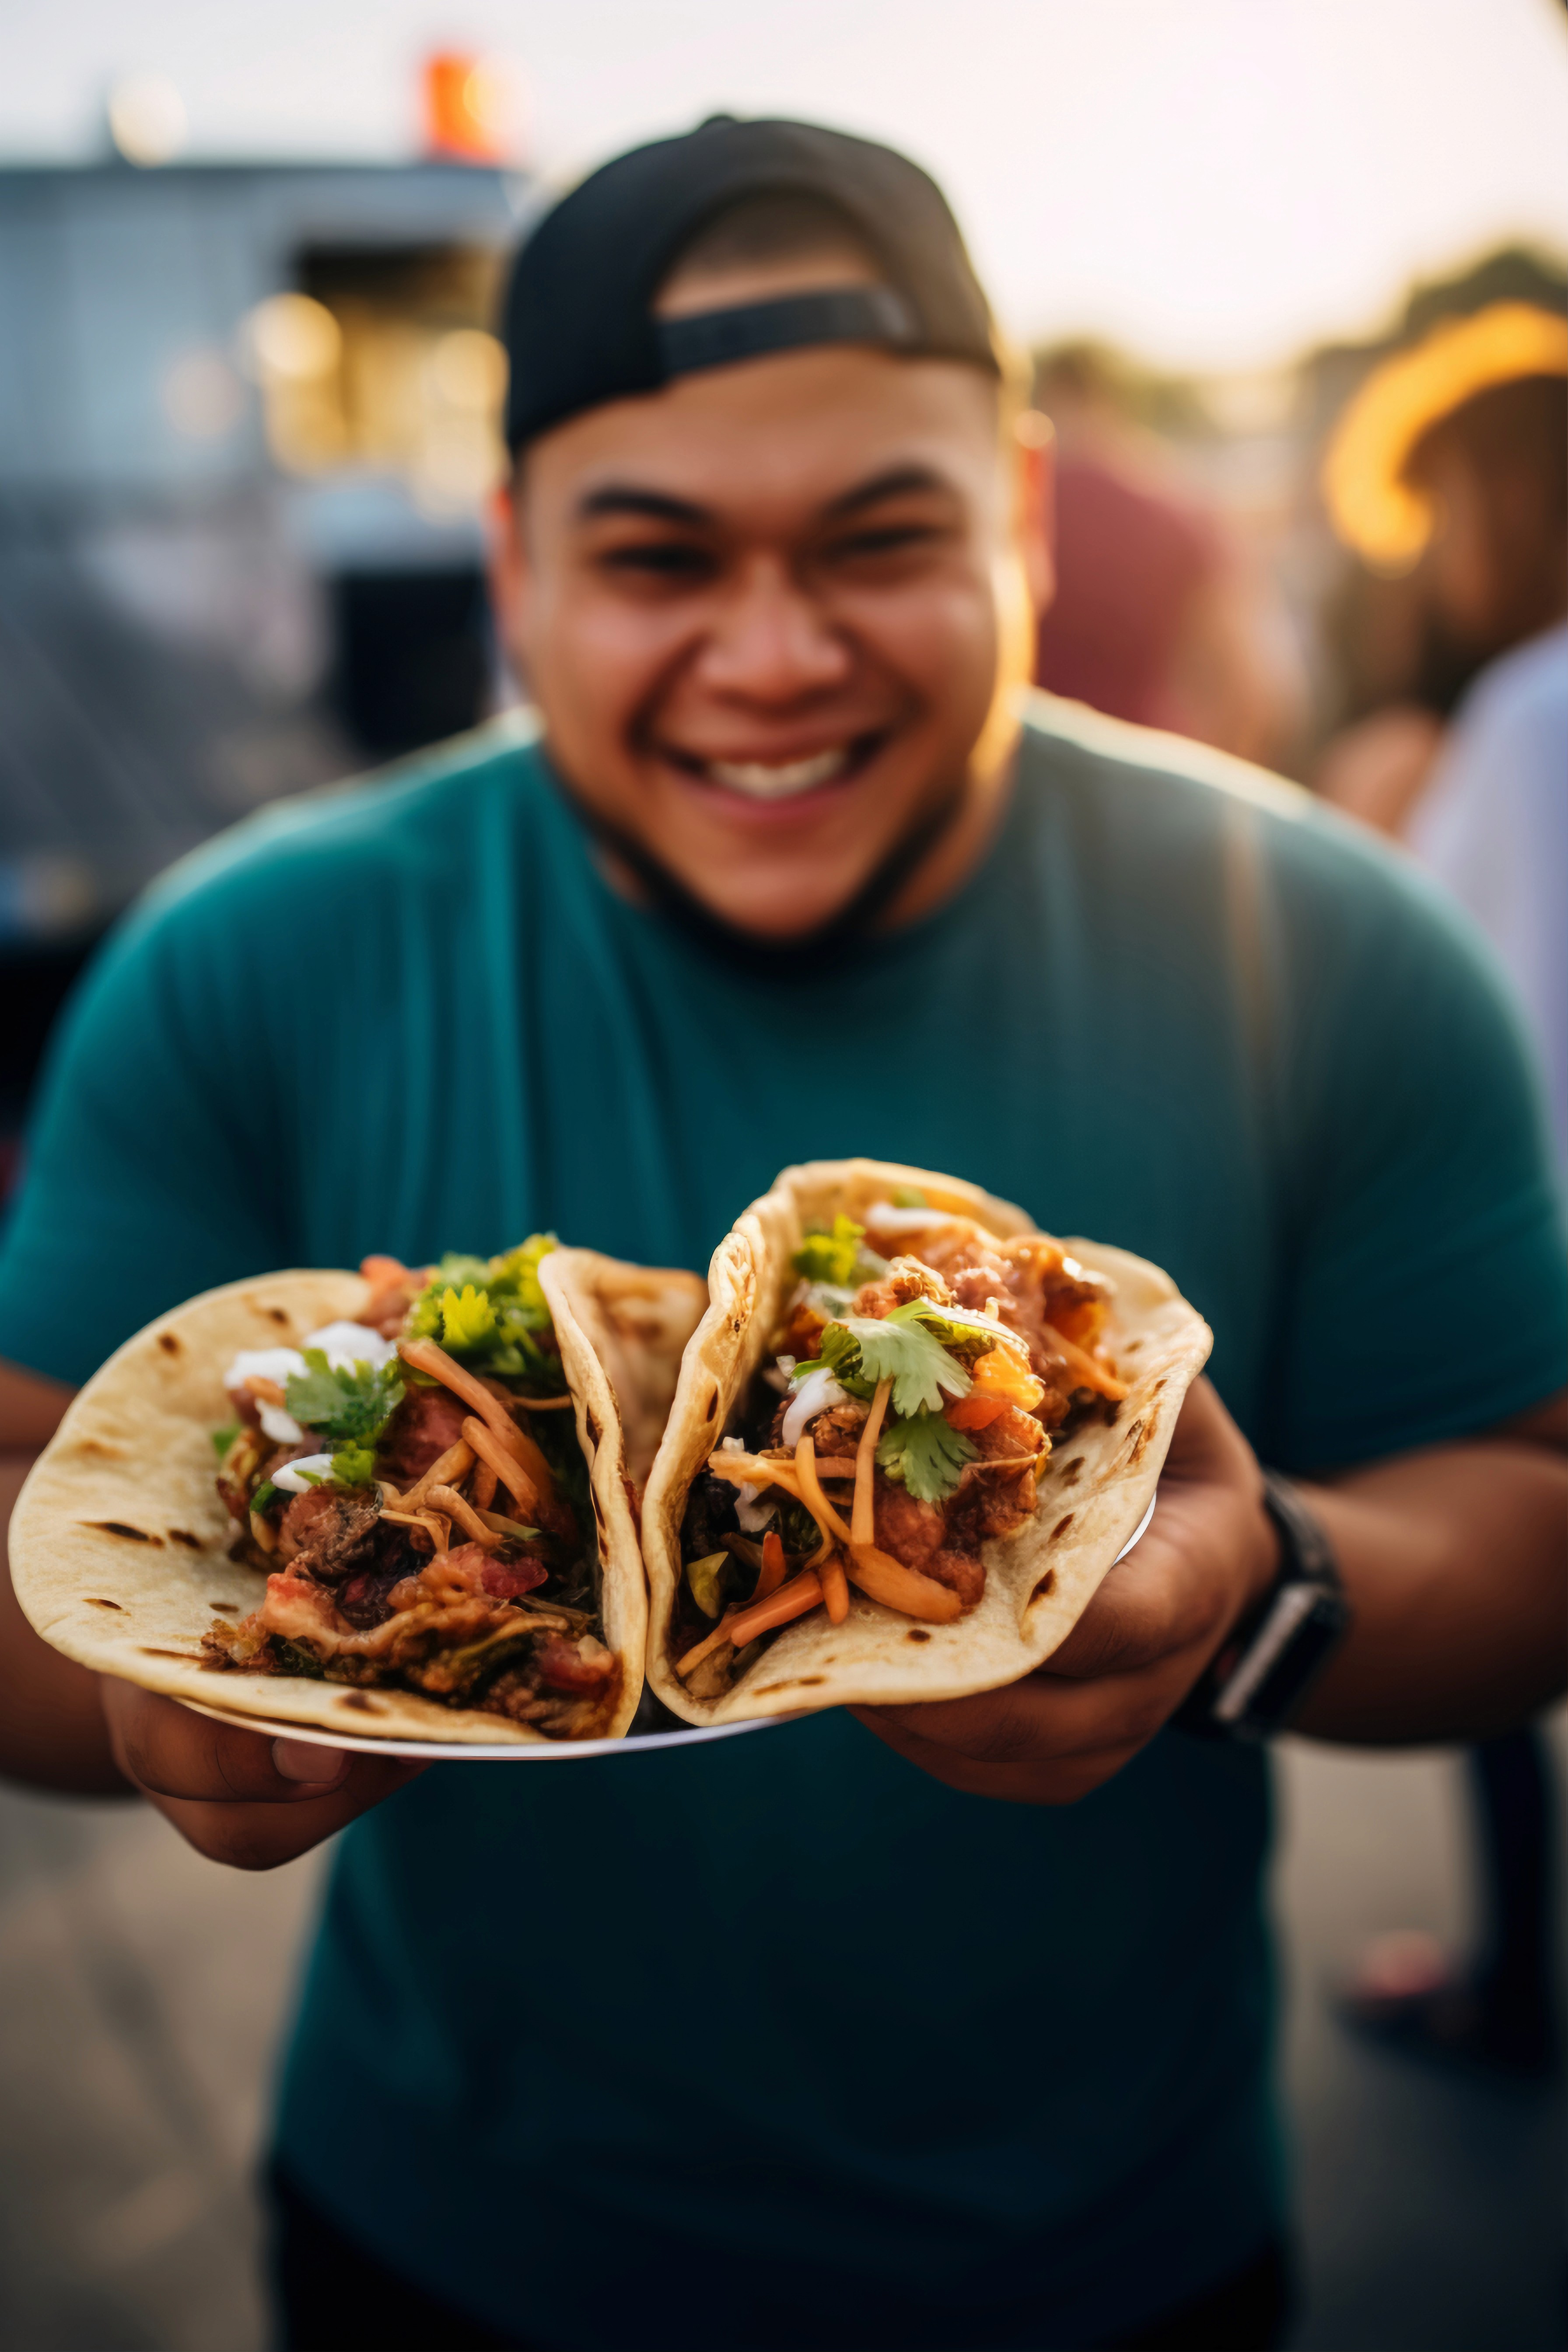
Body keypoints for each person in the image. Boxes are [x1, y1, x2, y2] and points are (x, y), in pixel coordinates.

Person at [0, 118, 1564, 2352]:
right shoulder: (240, 961)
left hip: (1113, 2257)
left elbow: (1528, 1502)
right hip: (449, 2247)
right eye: (654, 560)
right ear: (509, 559)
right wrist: (158, 1697)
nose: (771, 655)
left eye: (876, 539)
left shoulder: (1324, 949)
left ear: (1016, 515)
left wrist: (1250, 1592)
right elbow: (28, 1505)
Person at [1317, 304, 1568, 2074]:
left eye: (1441, 524)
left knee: (1498, 1599)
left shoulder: (1530, 707)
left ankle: (1512, 1983)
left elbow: (1480, 1012)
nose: (1431, 572)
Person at [1032, 344, 1301, 768]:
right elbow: (1252, 694)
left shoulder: (1010, 510)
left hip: (1023, 781)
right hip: (1149, 773)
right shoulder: (1177, 510)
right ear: (1109, 401)